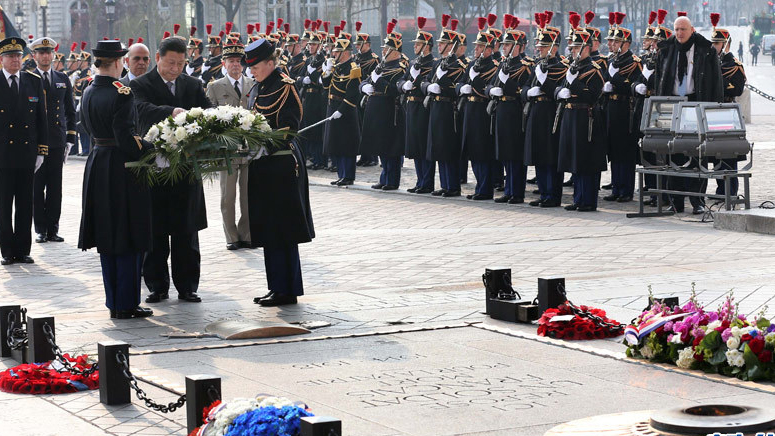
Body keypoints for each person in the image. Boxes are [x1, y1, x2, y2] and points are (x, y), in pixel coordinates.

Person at [131, 36, 212, 304]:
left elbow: (207, 112)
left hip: (186, 167)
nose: (175, 69)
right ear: (158, 58)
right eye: (170, 63)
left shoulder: (193, 84)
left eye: (180, 63)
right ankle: (157, 285)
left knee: (186, 230)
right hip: (155, 167)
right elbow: (141, 111)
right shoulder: (140, 84)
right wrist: (172, 111)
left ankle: (188, 285)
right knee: (155, 229)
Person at [77, 40, 153, 319]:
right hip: (122, 166)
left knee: (108, 236)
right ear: (119, 62)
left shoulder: (88, 90)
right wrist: (151, 146)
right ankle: (127, 303)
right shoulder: (123, 92)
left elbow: (86, 126)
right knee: (129, 234)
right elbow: (126, 137)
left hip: (98, 161)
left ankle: (115, 302)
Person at [245, 39, 315, 307]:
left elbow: (291, 125)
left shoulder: (284, 85)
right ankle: (275, 286)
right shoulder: (259, 86)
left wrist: (266, 144)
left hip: (281, 164)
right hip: (263, 164)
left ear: (270, 63)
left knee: (283, 229)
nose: (252, 71)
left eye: (256, 66)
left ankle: (288, 289)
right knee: (268, 228)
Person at [654, 14, 723, 214]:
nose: (679, 33)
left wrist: (712, 110)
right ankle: (675, 201)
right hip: (672, 105)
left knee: (697, 155)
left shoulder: (706, 50)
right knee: (673, 153)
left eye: (683, 29)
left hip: (696, 103)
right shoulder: (666, 50)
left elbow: (716, 84)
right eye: (676, 29)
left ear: (692, 30)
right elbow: (660, 81)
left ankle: (697, 201)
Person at [0, 37, 48, 265]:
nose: (16, 60)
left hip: (27, 153)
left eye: (18, 56)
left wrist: (41, 151)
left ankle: (23, 249)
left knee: (25, 205)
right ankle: (7, 251)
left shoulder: (33, 81)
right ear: (2, 59)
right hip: (2, 156)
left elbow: (42, 119)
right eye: (10, 56)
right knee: (3, 205)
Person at [206, 39, 254, 251]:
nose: (235, 64)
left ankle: (247, 234)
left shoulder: (253, 85)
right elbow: (209, 118)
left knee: (249, 195)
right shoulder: (215, 87)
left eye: (238, 61)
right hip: (227, 150)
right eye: (231, 61)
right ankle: (231, 236)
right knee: (228, 196)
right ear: (223, 64)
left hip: (250, 148)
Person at [556, 26, 606, 212]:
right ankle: (578, 198)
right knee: (574, 160)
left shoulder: (594, 69)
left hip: (586, 118)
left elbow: (592, 95)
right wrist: (561, 91)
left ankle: (588, 200)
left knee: (586, 161)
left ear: (587, 48)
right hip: (571, 115)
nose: (573, 51)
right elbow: (558, 88)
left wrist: (574, 83)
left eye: (577, 47)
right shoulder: (573, 67)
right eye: (572, 48)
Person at [31, 37, 76, 244]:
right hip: (35, 142)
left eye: (49, 52)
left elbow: (69, 110)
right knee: (37, 187)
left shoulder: (61, 78)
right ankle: (40, 229)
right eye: (41, 53)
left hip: (57, 141)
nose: (46, 56)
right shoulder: (28, 78)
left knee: (55, 188)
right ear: (34, 56)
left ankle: (53, 229)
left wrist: (70, 139)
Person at [487, 16, 532, 204]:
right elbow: (489, 85)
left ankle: (517, 192)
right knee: (504, 154)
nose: (504, 47)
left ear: (519, 46)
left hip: (515, 111)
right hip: (502, 110)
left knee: (514, 155)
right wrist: (491, 90)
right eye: (504, 44)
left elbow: (524, 90)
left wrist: (508, 84)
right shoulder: (504, 64)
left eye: (508, 44)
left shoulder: (526, 66)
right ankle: (509, 189)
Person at [524, 22, 567, 208]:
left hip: (550, 113)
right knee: (539, 154)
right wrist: (528, 92)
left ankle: (553, 194)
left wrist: (544, 83)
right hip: (536, 112)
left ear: (554, 48)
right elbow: (525, 86)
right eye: (539, 46)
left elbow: (558, 91)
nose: (538, 49)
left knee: (550, 156)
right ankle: (543, 192)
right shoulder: (538, 65)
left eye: (543, 46)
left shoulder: (560, 67)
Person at [360, 22, 406, 191]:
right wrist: (364, 86)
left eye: (387, 49)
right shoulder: (381, 66)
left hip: (389, 110)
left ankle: (392, 180)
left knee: (390, 148)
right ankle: (384, 177)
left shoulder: (399, 68)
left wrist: (378, 81)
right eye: (383, 48)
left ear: (395, 51)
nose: (383, 51)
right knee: (380, 146)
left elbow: (393, 90)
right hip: (376, 109)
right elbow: (366, 79)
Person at [602, 14, 642, 204]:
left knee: (625, 152)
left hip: (626, 109)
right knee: (614, 151)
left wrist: (615, 79)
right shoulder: (612, 61)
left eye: (617, 41)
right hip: (612, 107)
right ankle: (616, 186)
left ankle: (626, 189)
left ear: (626, 43)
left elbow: (633, 86)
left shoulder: (634, 62)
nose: (612, 45)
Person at [459, 19, 499, 201]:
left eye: (480, 47)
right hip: (470, 110)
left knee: (483, 153)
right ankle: (479, 186)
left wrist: (474, 81)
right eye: (476, 47)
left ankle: (485, 189)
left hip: (483, 113)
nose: (476, 50)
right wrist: (461, 87)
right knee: (473, 152)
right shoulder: (472, 65)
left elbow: (487, 90)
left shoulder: (494, 67)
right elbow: (461, 82)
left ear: (489, 49)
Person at [399, 17, 436, 194]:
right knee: (414, 146)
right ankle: (420, 180)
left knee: (423, 146)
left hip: (423, 108)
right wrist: (403, 85)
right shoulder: (413, 63)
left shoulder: (433, 64)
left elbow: (426, 85)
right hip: (411, 108)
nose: (414, 47)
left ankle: (427, 182)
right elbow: (401, 81)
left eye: (418, 44)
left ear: (426, 46)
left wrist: (415, 78)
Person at [710, 20, 746, 197]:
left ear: (725, 44)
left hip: (728, 113)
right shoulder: (712, 64)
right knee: (717, 154)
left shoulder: (734, 66)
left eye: (716, 43)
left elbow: (737, 89)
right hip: (714, 113)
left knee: (729, 154)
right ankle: (719, 189)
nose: (713, 46)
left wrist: (718, 77)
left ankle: (730, 191)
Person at [321, 32, 361, 186]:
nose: (333, 53)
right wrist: (328, 72)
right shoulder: (336, 67)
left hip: (345, 111)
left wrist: (342, 110)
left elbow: (352, 95)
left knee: (346, 145)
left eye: (336, 52)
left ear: (344, 53)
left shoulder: (353, 68)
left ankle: (348, 176)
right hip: (333, 108)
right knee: (336, 144)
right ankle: (341, 174)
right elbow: (326, 87)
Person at [297, 25, 328, 170]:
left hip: (318, 98)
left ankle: (320, 159)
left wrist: (313, 75)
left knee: (317, 130)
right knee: (308, 128)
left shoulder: (324, 61)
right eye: (309, 44)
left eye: (313, 44)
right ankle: (314, 157)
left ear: (320, 46)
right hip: (307, 98)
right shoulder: (309, 60)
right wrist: (303, 80)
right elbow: (299, 77)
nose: (310, 46)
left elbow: (324, 80)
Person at [354, 21, 380, 168]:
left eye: (360, 44)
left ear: (367, 44)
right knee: (361, 127)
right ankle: (364, 155)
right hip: (358, 95)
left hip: (369, 96)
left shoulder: (373, 59)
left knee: (369, 127)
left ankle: (373, 157)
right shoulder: (356, 58)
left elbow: (374, 77)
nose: (357, 47)